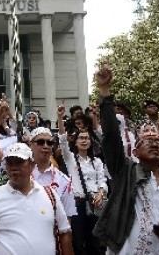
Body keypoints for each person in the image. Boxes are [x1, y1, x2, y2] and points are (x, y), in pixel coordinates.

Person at [93, 64, 159, 254]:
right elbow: (110, 136)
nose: (154, 143)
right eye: (147, 141)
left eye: (158, 141)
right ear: (135, 152)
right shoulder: (126, 172)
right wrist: (105, 91)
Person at [0, 98, 77, 218]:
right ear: (30, 145)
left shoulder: (63, 181)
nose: (45, 146)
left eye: (49, 143)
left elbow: (67, 223)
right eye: (40, 142)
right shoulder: (18, 166)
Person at [0, 141, 73, 255]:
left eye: (19, 162)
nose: (14, 167)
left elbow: (64, 233)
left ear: (32, 165)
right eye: (9, 163)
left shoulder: (50, 195)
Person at [57, 102, 107, 254]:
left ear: (91, 142)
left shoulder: (96, 161)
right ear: (76, 142)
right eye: (81, 138)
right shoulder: (71, 159)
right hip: (77, 204)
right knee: (78, 242)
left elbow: (102, 181)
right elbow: (63, 141)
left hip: (94, 203)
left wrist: (101, 193)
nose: (84, 140)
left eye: (87, 138)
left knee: (94, 242)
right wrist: (60, 117)